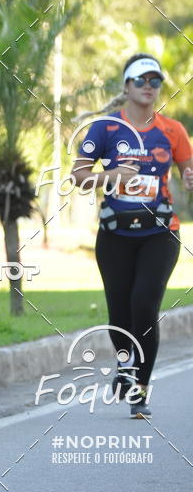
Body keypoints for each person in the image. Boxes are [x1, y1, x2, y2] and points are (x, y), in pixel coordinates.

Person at [71, 53, 193, 418]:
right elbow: (78, 176)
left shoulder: (173, 131)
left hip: (160, 233)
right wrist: (111, 177)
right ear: (126, 86)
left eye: (155, 81)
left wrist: (189, 180)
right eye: (141, 80)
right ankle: (125, 363)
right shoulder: (104, 129)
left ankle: (139, 389)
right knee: (120, 312)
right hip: (115, 235)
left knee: (145, 304)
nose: (148, 87)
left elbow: (188, 174)